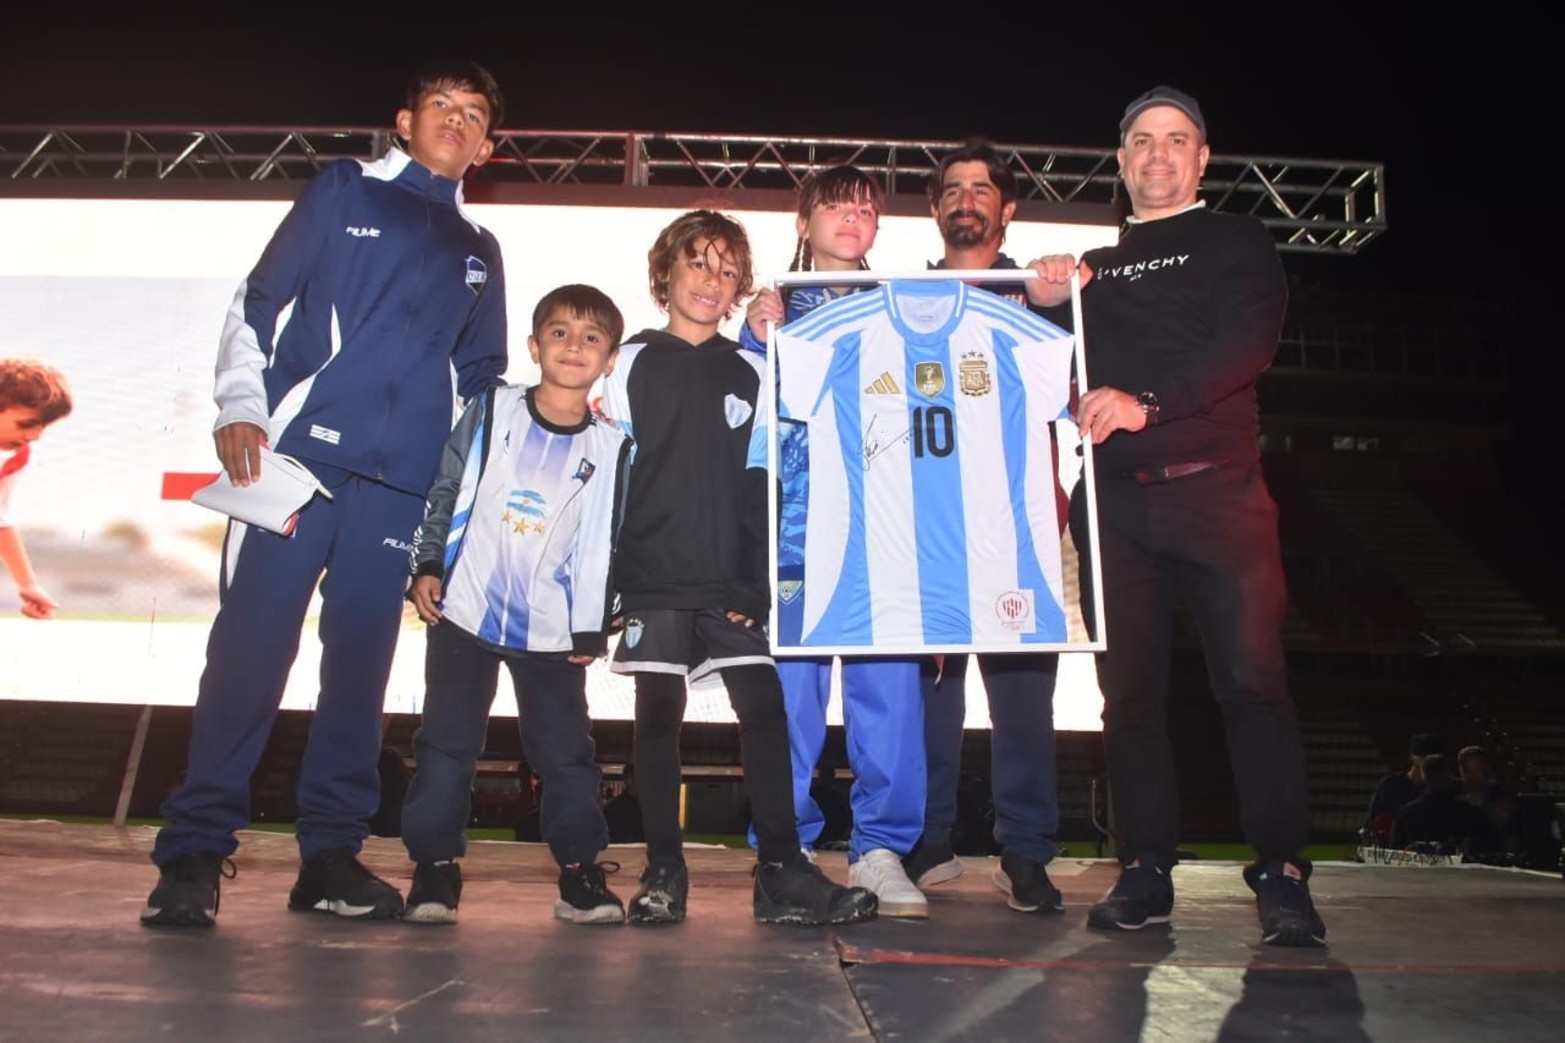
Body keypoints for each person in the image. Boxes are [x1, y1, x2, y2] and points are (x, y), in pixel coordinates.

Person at [141, 60, 510, 928]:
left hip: (401, 489)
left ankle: (330, 857)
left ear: (488, 146)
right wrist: (241, 405)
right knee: (249, 654)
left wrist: (467, 510)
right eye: (440, 106)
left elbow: (483, 386)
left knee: (359, 674)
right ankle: (194, 850)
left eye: (472, 115)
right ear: (405, 120)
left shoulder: (479, 251)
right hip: (295, 464)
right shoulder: (343, 190)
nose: (454, 121)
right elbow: (258, 301)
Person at [1032, 86, 1327, 946]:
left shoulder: (1236, 240)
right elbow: (1021, 370)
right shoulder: (1091, 266)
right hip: (1114, 506)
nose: (1157, 154)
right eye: (1140, 141)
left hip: (1218, 497)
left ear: (1201, 160)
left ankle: (1281, 872)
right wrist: (1042, 304)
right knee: (1128, 700)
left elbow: (1246, 346)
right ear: (1120, 162)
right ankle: (1145, 868)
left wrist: (1147, 403)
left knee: (1252, 687)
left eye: (1176, 139)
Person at [597, 209, 877, 927]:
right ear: (667, 271)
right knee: (657, 719)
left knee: (765, 707)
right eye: (698, 263)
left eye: (727, 271)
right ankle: (663, 868)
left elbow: (760, 487)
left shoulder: (752, 372)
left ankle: (781, 868)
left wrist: (753, 583)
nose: (711, 281)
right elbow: (607, 481)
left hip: (727, 582)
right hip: (651, 578)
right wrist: (606, 588)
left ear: (739, 288)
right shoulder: (624, 362)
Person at [398, 284, 634, 926]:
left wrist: (598, 620)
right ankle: (434, 871)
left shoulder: (612, 448)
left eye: (592, 338)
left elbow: (609, 541)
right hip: (465, 614)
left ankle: (580, 874)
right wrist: (426, 565)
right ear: (534, 346)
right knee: (446, 745)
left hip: (555, 631)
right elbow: (446, 486)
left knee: (566, 756)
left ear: (609, 360)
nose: (574, 347)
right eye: (559, 333)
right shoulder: (493, 408)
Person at [739, 165, 928, 918]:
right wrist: (754, 339)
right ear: (805, 220)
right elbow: (739, 417)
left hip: (885, 532)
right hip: (794, 529)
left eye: (864, 207)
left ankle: (881, 848)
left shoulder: (904, 307)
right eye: (835, 205)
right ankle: (783, 853)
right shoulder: (770, 309)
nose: (851, 217)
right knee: (786, 701)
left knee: (890, 697)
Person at [902, 140, 1067, 917]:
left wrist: (1058, 298)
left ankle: (1025, 850)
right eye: (952, 187)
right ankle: (926, 840)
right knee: (929, 693)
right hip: (928, 525)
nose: (966, 197)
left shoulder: (1041, 295)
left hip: (1018, 527)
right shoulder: (902, 296)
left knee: (1024, 697)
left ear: (1008, 209)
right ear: (935, 208)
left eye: (982, 188)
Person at [0, 357, 72, 620]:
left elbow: (1, 521)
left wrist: (28, 585)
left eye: (42, 426)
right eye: (25, 423)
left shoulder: (12, 459)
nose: (35, 436)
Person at [1391, 754, 1498, 855]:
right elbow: (1489, 850)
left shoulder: (1406, 813)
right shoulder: (1471, 813)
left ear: (1423, 777)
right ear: (1450, 775)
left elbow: (1395, 854)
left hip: (1417, 873)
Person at [1365, 733, 1448, 843]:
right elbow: (1374, 820)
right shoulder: (1390, 785)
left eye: (1431, 755)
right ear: (1412, 756)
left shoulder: (1441, 788)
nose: (1426, 759)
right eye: (1423, 755)